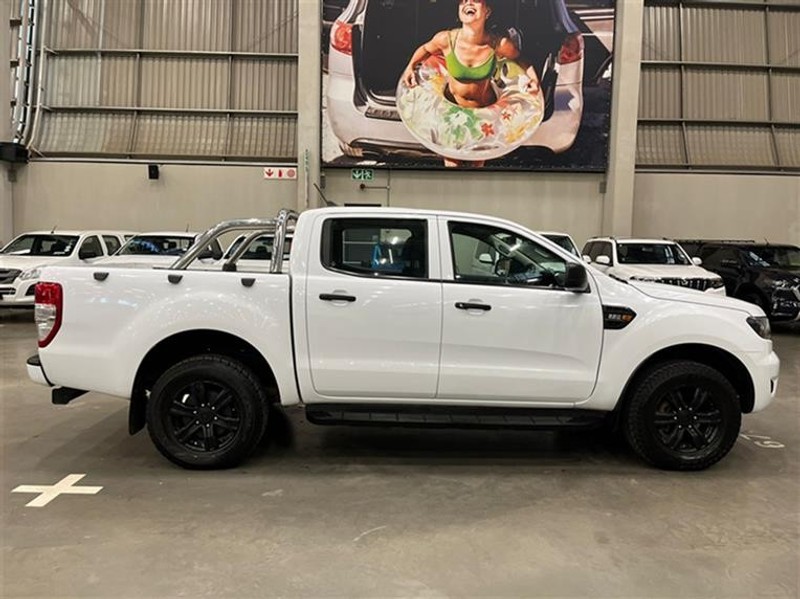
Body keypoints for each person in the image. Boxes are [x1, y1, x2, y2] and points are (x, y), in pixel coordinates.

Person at [400, 0, 540, 168]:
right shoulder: (446, 39)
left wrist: (533, 79)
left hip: (483, 116)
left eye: (476, 0)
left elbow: (520, 58)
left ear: (487, 11)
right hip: (451, 114)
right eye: (463, 1)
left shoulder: (498, 44)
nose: (468, 2)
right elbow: (425, 49)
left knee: (476, 168)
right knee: (452, 165)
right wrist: (410, 66)